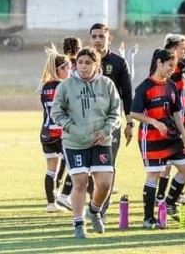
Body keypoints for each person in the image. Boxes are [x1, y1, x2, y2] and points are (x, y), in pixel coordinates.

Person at [51, 47, 121, 238]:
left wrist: (106, 130)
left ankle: (94, 210)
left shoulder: (107, 84)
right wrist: (73, 129)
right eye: (80, 62)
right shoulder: (66, 86)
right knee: (80, 182)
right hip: (75, 142)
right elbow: (56, 112)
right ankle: (78, 224)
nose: (83, 66)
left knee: (105, 184)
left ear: (96, 64)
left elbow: (116, 112)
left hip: (101, 140)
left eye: (88, 63)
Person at [130, 49, 185, 229]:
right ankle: (148, 218)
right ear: (159, 63)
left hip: (172, 136)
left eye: (174, 66)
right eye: (170, 65)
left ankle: (170, 202)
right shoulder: (144, 87)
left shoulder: (171, 85)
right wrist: (154, 122)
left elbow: (176, 113)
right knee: (153, 176)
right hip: (151, 138)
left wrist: (184, 135)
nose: (173, 69)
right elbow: (134, 113)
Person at [152, 18, 185, 205]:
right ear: (172, 51)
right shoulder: (174, 68)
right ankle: (162, 196)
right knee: (172, 158)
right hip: (175, 120)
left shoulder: (178, 66)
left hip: (183, 118)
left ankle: (173, 194)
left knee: (178, 158)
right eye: (181, 48)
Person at [89, 23, 132, 219]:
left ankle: (101, 210)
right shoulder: (84, 62)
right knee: (88, 167)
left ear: (109, 39)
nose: (98, 40)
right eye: (94, 36)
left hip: (111, 124)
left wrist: (130, 123)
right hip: (87, 124)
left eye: (101, 36)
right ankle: (92, 205)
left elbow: (127, 95)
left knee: (107, 165)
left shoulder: (118, 62)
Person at [37, 45, 71, 212]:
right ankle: (65, 196)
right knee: (76, 166)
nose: (70, 72)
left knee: (51, 169)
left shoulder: (45, 87)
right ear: (61, 69)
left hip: (46, 132)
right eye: (68, 68)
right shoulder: (64, 86)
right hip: (61, 133)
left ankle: (51, 203)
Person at [55, 36, 83, 209]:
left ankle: (57, 190)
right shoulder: (80, 65)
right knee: (76, 159)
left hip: (62, 118)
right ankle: (65, 193)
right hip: (77, 118)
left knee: (64, 158)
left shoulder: (61, 65)